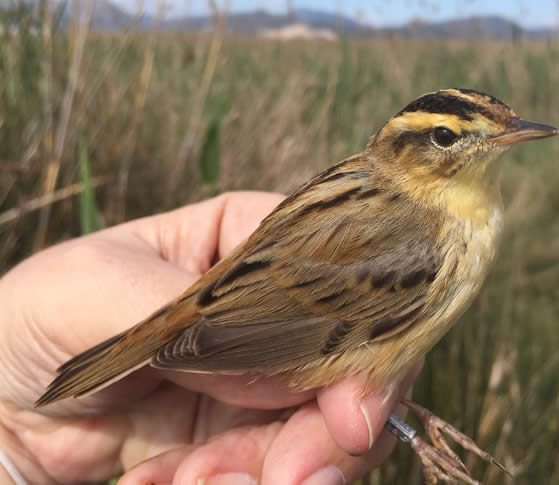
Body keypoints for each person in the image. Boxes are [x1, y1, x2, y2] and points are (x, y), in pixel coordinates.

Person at [0, 192, 421, 485]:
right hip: (248, 309)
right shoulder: (419, 247)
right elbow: (319, 332)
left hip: (243, 298)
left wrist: (18, 456)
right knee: (354, 411)